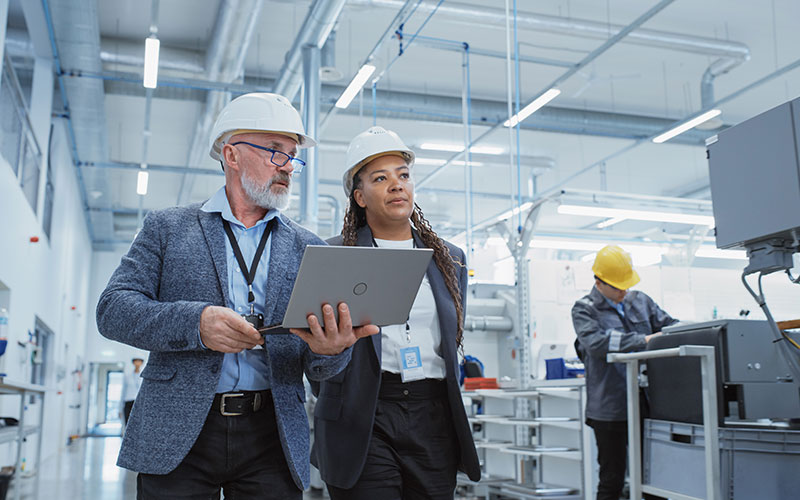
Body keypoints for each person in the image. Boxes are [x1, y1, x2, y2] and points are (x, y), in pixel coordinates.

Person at [96, 92, 378, 500]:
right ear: (231, 154)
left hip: (272, 433)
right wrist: (196, 324)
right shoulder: (168, 228)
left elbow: (319, 370)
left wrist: (331, 350)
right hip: (179, 429)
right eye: (275, 152)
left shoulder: (308, 247)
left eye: (293, 157)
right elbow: (113, 309)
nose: (288, 168)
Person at [311, 126, 481, 499]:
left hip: (432, 413)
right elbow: (314, 348)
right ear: (359, 196)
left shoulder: (450, 258)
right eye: (380, 178)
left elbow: (452, 339)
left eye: (403, 175)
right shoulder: (333, 255)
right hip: (363, 415)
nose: (396, 185)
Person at [571, 245, 677, 500]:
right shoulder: (584, 309)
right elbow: (597, 343)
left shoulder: (641, 301)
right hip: (609, 407)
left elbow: (670, 326)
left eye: (626, 285)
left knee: (654, 477)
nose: (624, 291)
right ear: (599, 283)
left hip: (647, 404)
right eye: (617, 287)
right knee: (612, 479)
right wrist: (645, 340)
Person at [121, 357, 144, 426]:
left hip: (139, 403)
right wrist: (120, 409)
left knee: (138, 425)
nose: (137, 363)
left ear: (142, 363)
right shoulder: (127, 376)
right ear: (133, 363)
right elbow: (123, 392)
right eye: (136, 361)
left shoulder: (144, 377)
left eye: (139, 361)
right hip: (128, 402)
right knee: (127, 424)